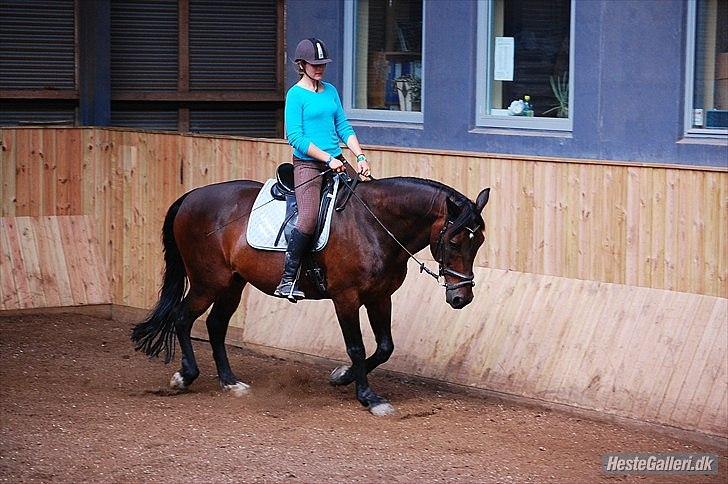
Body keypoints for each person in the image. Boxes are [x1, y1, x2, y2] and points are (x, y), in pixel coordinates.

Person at [274, 38, 371, 301]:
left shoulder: (330, 91)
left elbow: (344, 127)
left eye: (322, 65)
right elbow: (295, 137)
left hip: (337, 160)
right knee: (307, 219)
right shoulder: (295, 95)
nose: (319, 69)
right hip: (308, 164)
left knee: (365, 202)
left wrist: (360, 156)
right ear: (301, 65)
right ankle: (287, 279)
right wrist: (328, 159)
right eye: (314, 65)